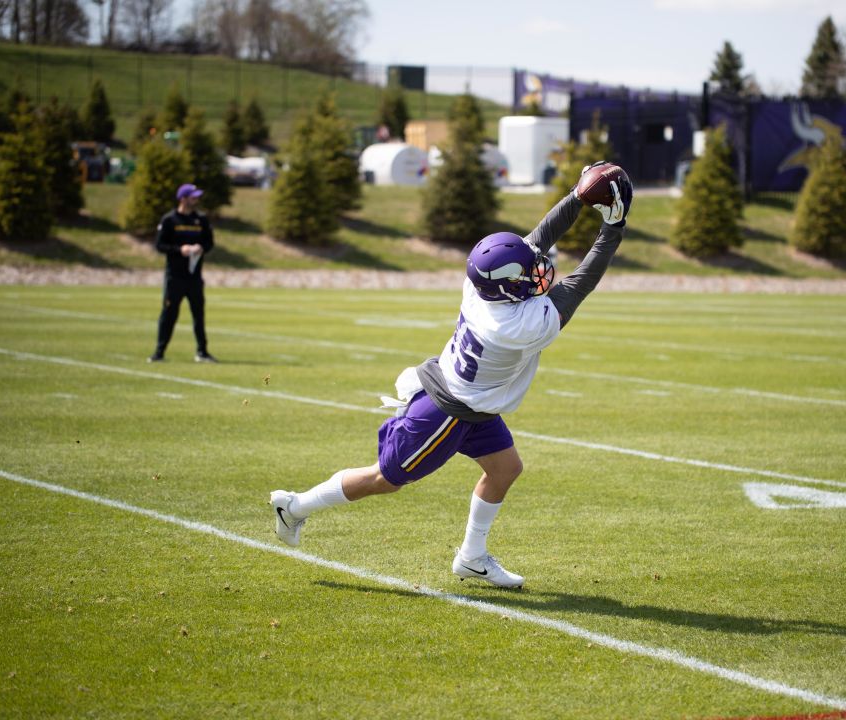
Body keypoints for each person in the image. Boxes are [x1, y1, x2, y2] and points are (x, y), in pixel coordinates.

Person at [268, 163, 635, 588]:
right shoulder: (513, 325)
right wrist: (614, 226)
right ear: (504, 286)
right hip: (447, 412)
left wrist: (577, 197)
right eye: (525, 274)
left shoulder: (481, 286)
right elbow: (582, 282)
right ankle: (294, 507)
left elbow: (538, 238)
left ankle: (472, 557)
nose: (537, 272)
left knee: (504, 469)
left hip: (468, 399)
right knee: (383, 479)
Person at [149, 183, 217, 363]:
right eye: (193, 196)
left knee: (198, 314)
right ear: (183, 199)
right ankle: (159, 352)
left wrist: (201, 248)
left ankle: (202, 352)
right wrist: (181, 250)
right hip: (175, 276)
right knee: (169, 313)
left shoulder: (201, 220)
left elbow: (209, 243)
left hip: (194, 276)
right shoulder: (169, 220)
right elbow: (160, 245)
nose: (196, 200)